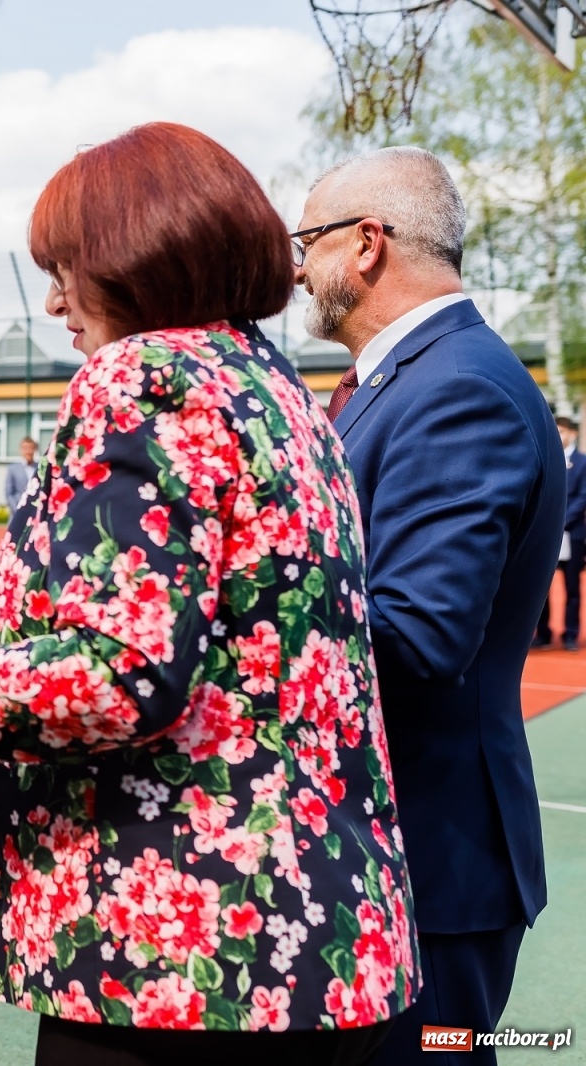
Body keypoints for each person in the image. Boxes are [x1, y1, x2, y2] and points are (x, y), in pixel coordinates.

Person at [0, 124, 418, 1065]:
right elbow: (183, 604)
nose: (53, 300)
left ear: (135, 255)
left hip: (178, 964)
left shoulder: (138, 376)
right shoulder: (271, 388)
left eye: (68, 268)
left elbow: (117, 676)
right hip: (313, 942)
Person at [294, 146, 559, 1066]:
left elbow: (417, 635)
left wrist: (216, 606)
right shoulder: (410, 380)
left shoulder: (457, 389)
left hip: (431, 870)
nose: (297, 267)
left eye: (309, 240)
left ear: (367, 245)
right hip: (403, 858)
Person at [534, 414, 586, 651]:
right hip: (548, 535)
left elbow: (582, 497)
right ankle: (543, 632)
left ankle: (570, 634)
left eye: (562, 431)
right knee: (540, 586)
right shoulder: (546, 458)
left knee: (572, 588)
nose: (559, 435)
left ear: (572, 433)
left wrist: (561, 520)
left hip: (572, 533)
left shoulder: (583, 462)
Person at [3, 435, 39, 509]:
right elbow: (9, 493)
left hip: (36, 512)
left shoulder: (40, 468)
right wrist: (17, 510)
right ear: (21, 450)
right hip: (17, 510)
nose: (28, 451)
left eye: (31, 448)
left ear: (35, 449)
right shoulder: (13, 469)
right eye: (25, 448)